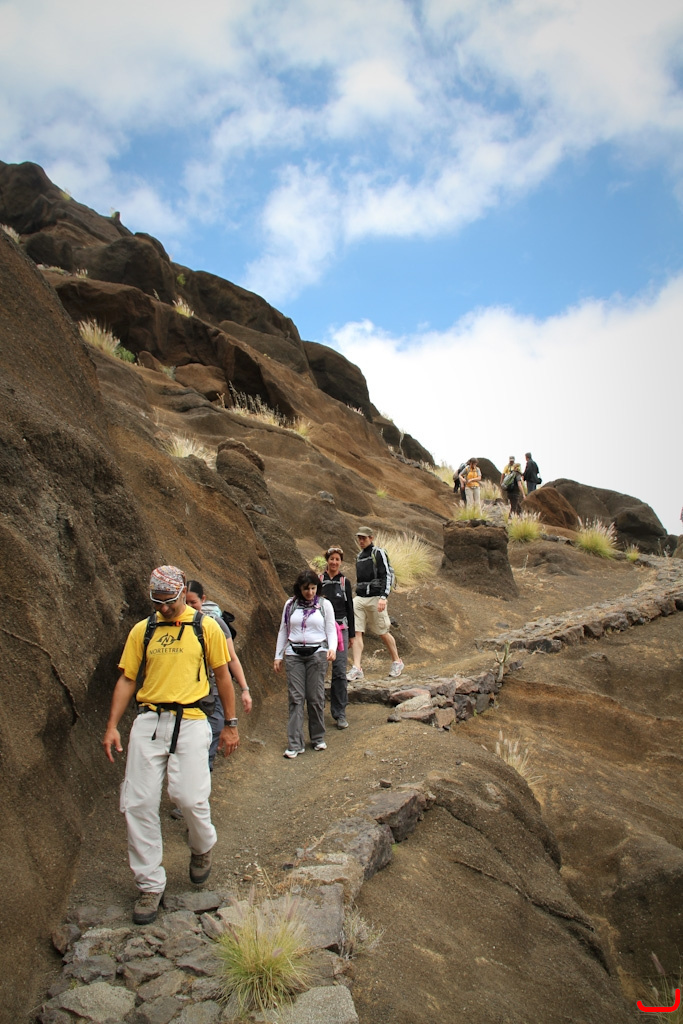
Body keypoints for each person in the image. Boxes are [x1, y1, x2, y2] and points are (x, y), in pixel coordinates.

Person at [102, 566, 239, 925]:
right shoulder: (143, 630)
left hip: (192, 719)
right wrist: (112, 726)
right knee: (137, 802)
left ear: (181, 593)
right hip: (149, 720)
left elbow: (222, 676)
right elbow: (128, 678)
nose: (163, 608)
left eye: (169, 601)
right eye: (157, 602)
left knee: (189, 797)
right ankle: (149, 884)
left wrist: (230, 724)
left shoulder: (205, 626)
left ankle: (202, 846)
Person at [186, 580, 252, 768]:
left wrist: (245, 690)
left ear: (203, 599)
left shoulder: (215, 624)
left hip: (213, 691)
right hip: (188, 692)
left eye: (193, 602)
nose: (189, 606)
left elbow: (232, 658)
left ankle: (203, 774)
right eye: (185, 602)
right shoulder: (176, 625)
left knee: (211, 736)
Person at [274, 568, 337, 758]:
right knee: (295, 698)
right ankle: (295, 743)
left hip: (317, 653)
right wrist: (278, 656)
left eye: (312, 588)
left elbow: (331, 629)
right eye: (306, 589)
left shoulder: (324, 605)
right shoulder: (290, 605)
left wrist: (332, 648)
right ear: (299, 589)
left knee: (315, 696)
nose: (309, 592)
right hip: (294, 654)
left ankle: (317, 737)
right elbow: (283, 629)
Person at [346, 527, 404, 681]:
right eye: (359, 538)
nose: (361, 541)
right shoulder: (359, 557)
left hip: (375, 597)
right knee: (356, 632)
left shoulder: (378, 553)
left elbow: (386, 575)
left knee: (382, 631)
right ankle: (357, 667)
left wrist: (383, 597)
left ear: (371, 538)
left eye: (364, 538)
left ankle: (397, 661)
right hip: (360, 598)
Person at [320, 546, 355, 729]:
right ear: (327, 560)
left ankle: (340, 712)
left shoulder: (344, 582)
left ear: (341, 562)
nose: (334, 562)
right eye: (331, 559)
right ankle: (317, 710)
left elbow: (350, 608)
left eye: (337, 559)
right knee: (319, 670)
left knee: (340, 671)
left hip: (341, 629)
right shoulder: (319, 580)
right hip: (321, 631)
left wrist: (352, 635)